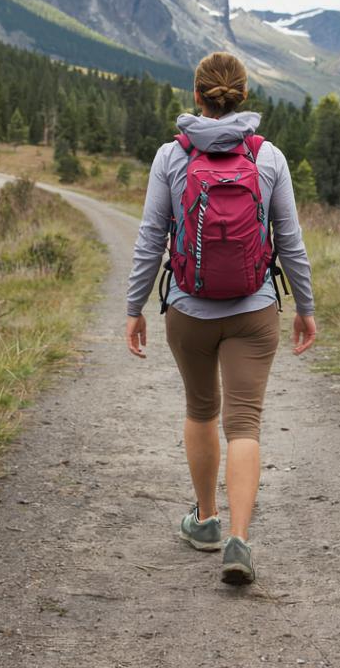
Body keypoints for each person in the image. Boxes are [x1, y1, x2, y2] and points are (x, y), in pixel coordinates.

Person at [125, 51, 318, 586]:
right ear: (244, 95)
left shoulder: (171, 156)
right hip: (255, 310)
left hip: (188, 308)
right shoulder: (268, 157)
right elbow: (292, 244)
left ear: (196, 95)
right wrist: (305, 307)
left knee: (201, 410)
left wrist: (134, 306)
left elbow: (149, 240)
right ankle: (239, 538)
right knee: (246, 422)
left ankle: (205, 521)